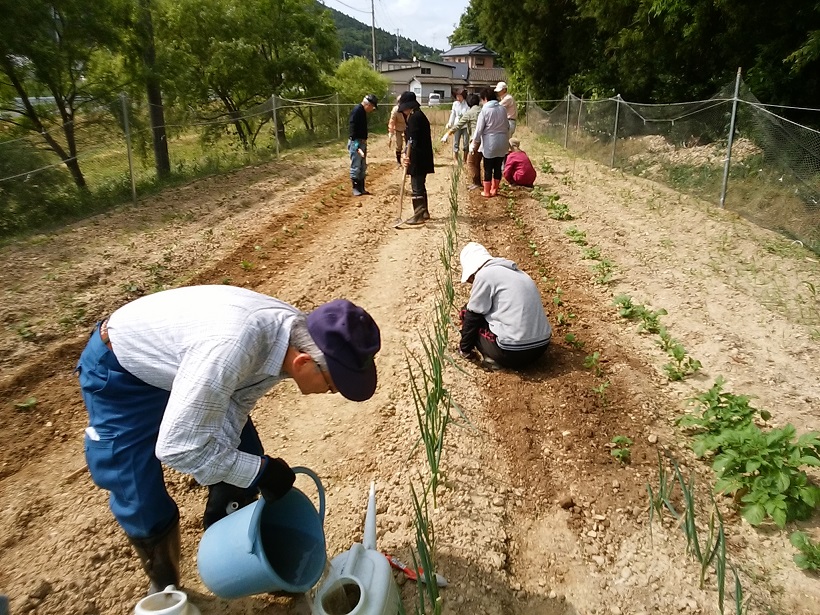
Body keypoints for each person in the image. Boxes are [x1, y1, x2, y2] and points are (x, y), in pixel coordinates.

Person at [75, 285, 381, 594]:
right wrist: (257, 471)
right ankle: (165, 588)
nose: (330, 392)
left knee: (243, 456)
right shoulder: (233, 348)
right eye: (331, 386)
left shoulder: (291, 335)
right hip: (122, 372)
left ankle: (248, 561)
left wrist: (237, 471)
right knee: (137, 488)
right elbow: (178, 448)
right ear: (303, 363)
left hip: (192, 364)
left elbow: (237, 399)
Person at [458, 242, 551, 370]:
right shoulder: (520, 274)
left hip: (511, 353)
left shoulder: (484, 275)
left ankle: (492, 359)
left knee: (466, 313)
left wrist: (464, 350)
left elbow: (473, 316)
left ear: (472, 271)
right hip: (541, 348)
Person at [398, 91, 434, 225]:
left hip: (418, 157)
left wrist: (407, 155)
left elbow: (412, 141)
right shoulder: (419, 115)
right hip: (422, 156)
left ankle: (418, 215)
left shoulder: (414, 118)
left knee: (416, 186)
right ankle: (424, 212)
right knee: (420, 185)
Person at [470, 88, 509, 197]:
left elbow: (479, 130)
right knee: (497, 167)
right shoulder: (503, 109)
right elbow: (507, 126)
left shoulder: (485, 111)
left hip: (490, 143)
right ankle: (494, 189)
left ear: (485, 98)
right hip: (502, 141)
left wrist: (474, 143)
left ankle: (486, 192)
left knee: (488, 167)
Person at [445, 93, 482, 189]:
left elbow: (458, 125)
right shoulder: (482, 110)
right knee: (478, 161)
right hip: (485, 140)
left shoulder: (470, 112)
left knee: (471, 162)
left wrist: (447, 134)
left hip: (475, 140)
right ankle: (482, 183)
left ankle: (476, 182)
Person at [348, 94, 378, 196]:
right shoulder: (357, 110)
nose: (372, 109)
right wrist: (355, 141)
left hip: (362, 142)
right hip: (356, 142)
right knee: (356, 165)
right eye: (372, 107)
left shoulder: (362, 111)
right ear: (368, 105)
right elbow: (352, 125)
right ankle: (355, 188)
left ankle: (362, 188)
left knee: (362, 166)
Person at [445, 90, 469, 165]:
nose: (458, 97)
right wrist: (450, 123)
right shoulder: (455, 104)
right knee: (456, 142)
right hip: (457, 125)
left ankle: (465, 159)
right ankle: (455, 159)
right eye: (457, 96)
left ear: (463, 96)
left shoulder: (467, 104)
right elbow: (453, 114)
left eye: (459, 96)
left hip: (465, 126)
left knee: (466, 142)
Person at [387, 95, 406, 167]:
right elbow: (392, 121)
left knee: (409, 145)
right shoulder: (395, 110)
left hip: (408, 128)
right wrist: (391, 132)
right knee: (399, 145)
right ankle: (398, 162)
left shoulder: (409, 109)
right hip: (398, 129)